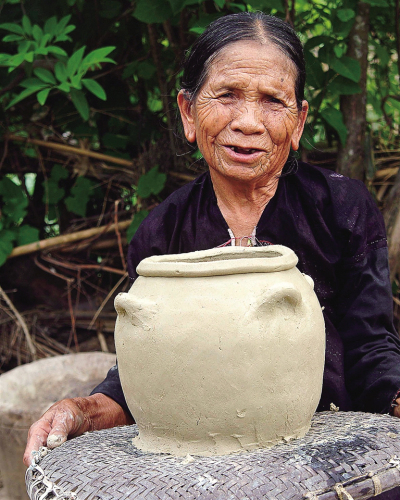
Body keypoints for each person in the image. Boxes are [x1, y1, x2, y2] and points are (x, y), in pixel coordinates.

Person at [24, 10, 400, 482]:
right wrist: (82, 410)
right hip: (199, 473)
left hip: (325, 465)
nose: (248, 122)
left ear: (299, 121)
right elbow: (140, 380)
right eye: (226, 96)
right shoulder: (162, 234)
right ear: (188, 112)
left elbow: (371, 349)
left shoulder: (341, 209)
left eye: (272, 101)